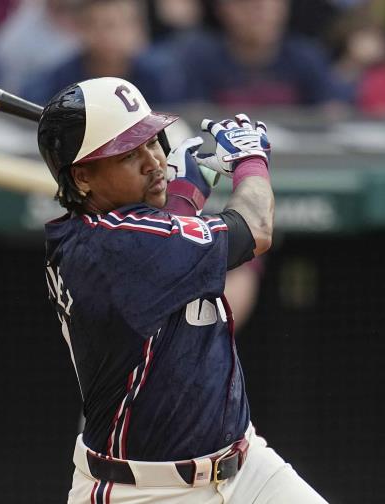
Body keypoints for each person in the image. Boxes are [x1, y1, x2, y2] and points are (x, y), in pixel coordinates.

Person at [39, 76, 329, 503]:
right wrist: (250, 160)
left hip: (246, 468)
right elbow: (255, 229)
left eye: (152, 142)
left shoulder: (108, 234)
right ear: (82, 177)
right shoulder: (115, 248)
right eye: (128, 155)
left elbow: (163, 243)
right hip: (144, 491)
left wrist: (184, 194)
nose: (154, 161)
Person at [163, 0, 342, 107]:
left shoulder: (306, 56)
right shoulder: (199, 58)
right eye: (251, 6)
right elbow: (193, 115)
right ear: (224, 9)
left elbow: (327, 113)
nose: (263, 15)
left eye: (271, 5)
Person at [21, 0, 183, 106]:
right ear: (79, 29)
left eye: (113, 25)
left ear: (136, 27)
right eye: (93, 25)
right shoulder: (60, 79)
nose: (106, 36)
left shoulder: (161, 74)